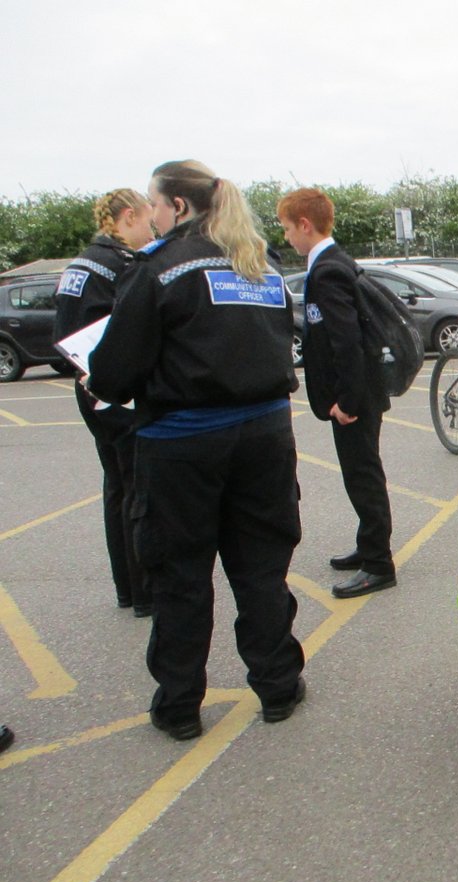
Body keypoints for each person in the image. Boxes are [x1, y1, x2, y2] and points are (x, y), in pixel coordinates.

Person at [88, 160, 306, 740]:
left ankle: (180, 706)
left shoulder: (160, 269)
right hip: (265, 436)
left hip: (183, 445)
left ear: (178, 207)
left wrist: (99, 378)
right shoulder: (260, 264)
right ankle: (279, 686)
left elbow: (114, 370)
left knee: (180, 576)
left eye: (155, 206)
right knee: (262, 567)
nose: (152, 216)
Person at [278, 188, 397, 600]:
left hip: (354, 398)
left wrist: (346, 401)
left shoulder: (328, 270)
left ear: (306, 225)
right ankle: (369, 546)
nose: (287, 238)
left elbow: (346, 342)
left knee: (363, 476)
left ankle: (379, 565)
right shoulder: (334, 262)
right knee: (361, 473)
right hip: (358, 393)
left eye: (288, 229)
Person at [54, 189, 156, 617]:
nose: (151, 230)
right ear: (128, 216)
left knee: (115, 488)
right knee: (137, 490)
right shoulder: (120, 265)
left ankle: (127, 588)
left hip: (89, 389)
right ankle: (145, 591)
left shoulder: (79, 264)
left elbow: (62, 336)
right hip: (117, 392)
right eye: (149, 221)